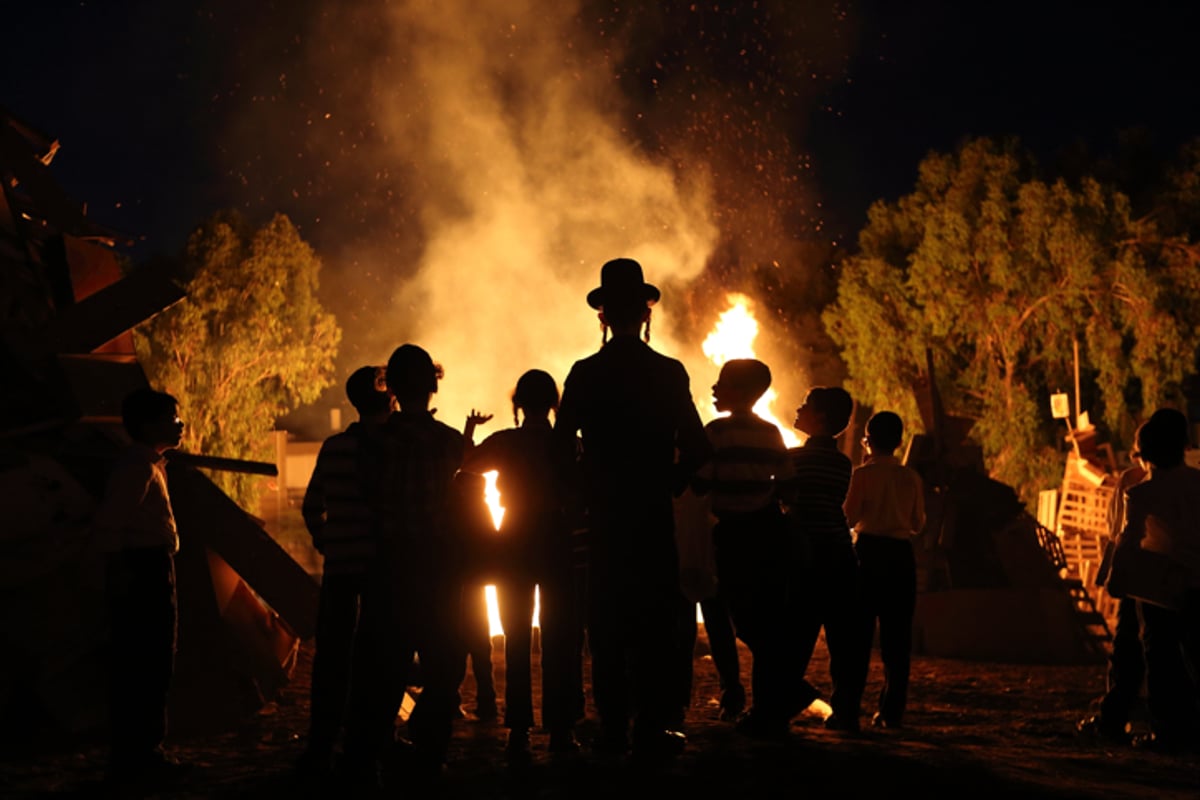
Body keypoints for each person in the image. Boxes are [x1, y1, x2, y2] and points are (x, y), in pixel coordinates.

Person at [555, 257, 712, 760]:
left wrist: (584, 488)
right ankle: (650, 725)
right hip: (650, 517)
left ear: (602, 317)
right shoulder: (667, 373)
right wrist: (669, 482)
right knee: (653, 623)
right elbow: (697, 447)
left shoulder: (584, 373)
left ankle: (613, 726)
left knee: (605, 622)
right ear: (646, 315)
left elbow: (561, 449)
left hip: (604, 518)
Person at [341, 344, 467, 787]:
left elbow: (366, 500)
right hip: (439, 566)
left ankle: (373, 756)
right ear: (434, 385)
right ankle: (429, 753)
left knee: (383, 666)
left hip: (388, 565)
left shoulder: (372, 444)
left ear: (390, 388)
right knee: (444, 664)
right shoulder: (452, 443)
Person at [463, 369, 583, 759]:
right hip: (557, 537)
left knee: (515, 636)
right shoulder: (567, 444)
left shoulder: (504, 442)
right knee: (561, 635)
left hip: (513, 536)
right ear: (553, 403)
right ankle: (562, 729)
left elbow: (467, 465)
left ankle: (518, 729)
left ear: (517, 404)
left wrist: (468, 430)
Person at [691, 359, 798, 737]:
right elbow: (787, 485)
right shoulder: (771, 434)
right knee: (759, 619)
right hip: (764, 536)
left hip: (727, 537)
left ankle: (737, 693)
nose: (715, 389)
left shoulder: (715, 434)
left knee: (724, 617)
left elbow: (702, 483)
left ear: (740, 391)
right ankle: (768, 700)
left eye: (722, 384)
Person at [91, 387, 190, 788]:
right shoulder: (139, 469)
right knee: (149, 664)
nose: (179, 425)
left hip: (148, 568)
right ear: (150, 425)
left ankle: (139, 754)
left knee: (147, 664)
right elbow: (110, 525)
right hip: (144, 571)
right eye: (172, 418)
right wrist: (122, 574)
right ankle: (141, 756)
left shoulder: (146, 464)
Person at [297, 366, 391, 774]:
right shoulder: (394, 448)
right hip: (380, 569)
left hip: (339, 568)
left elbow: (311, 505)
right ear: (390, 399)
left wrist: (326, 541)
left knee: (332, 653)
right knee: (378, 653)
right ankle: (371, 737)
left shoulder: (334, 447)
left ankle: (322, 739)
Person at [1107, 408, 1200, 752]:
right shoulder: (1197, 484)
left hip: (1159, 595)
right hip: (1197, 589)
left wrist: (1116, 580)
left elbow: (1128, 541)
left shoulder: (1141, 494)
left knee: (1160, 661)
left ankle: (1165, 732)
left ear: (1145, 456)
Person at [785, 385, 868, 733]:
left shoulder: (794, 459)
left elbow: (787, 501)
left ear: (819, 417)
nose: (799, 409)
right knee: (843, 639)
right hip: (839, 554)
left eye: (806, 405)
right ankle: (846, 712)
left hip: (807, 555)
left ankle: (788, 696)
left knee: (795, 635)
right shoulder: (842, 463)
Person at [844, 411, 926, 729]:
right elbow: (918, 524)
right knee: (897, 638)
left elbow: (849, 519)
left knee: (858, 635)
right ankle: (892, 712)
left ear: (868, 441)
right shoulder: (911, 478)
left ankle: (849, 707)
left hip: (867, 554)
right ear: (899, 442)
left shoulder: (862, 475)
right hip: (901, 557)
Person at [1078, 442, 1148, 744]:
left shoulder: (1136, 487)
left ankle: (1114, 720)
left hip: (1142, 582)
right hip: (1178, 583)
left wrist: (1116, 578)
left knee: (1128, 649)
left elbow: (1120, 533)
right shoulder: (1191, 482)